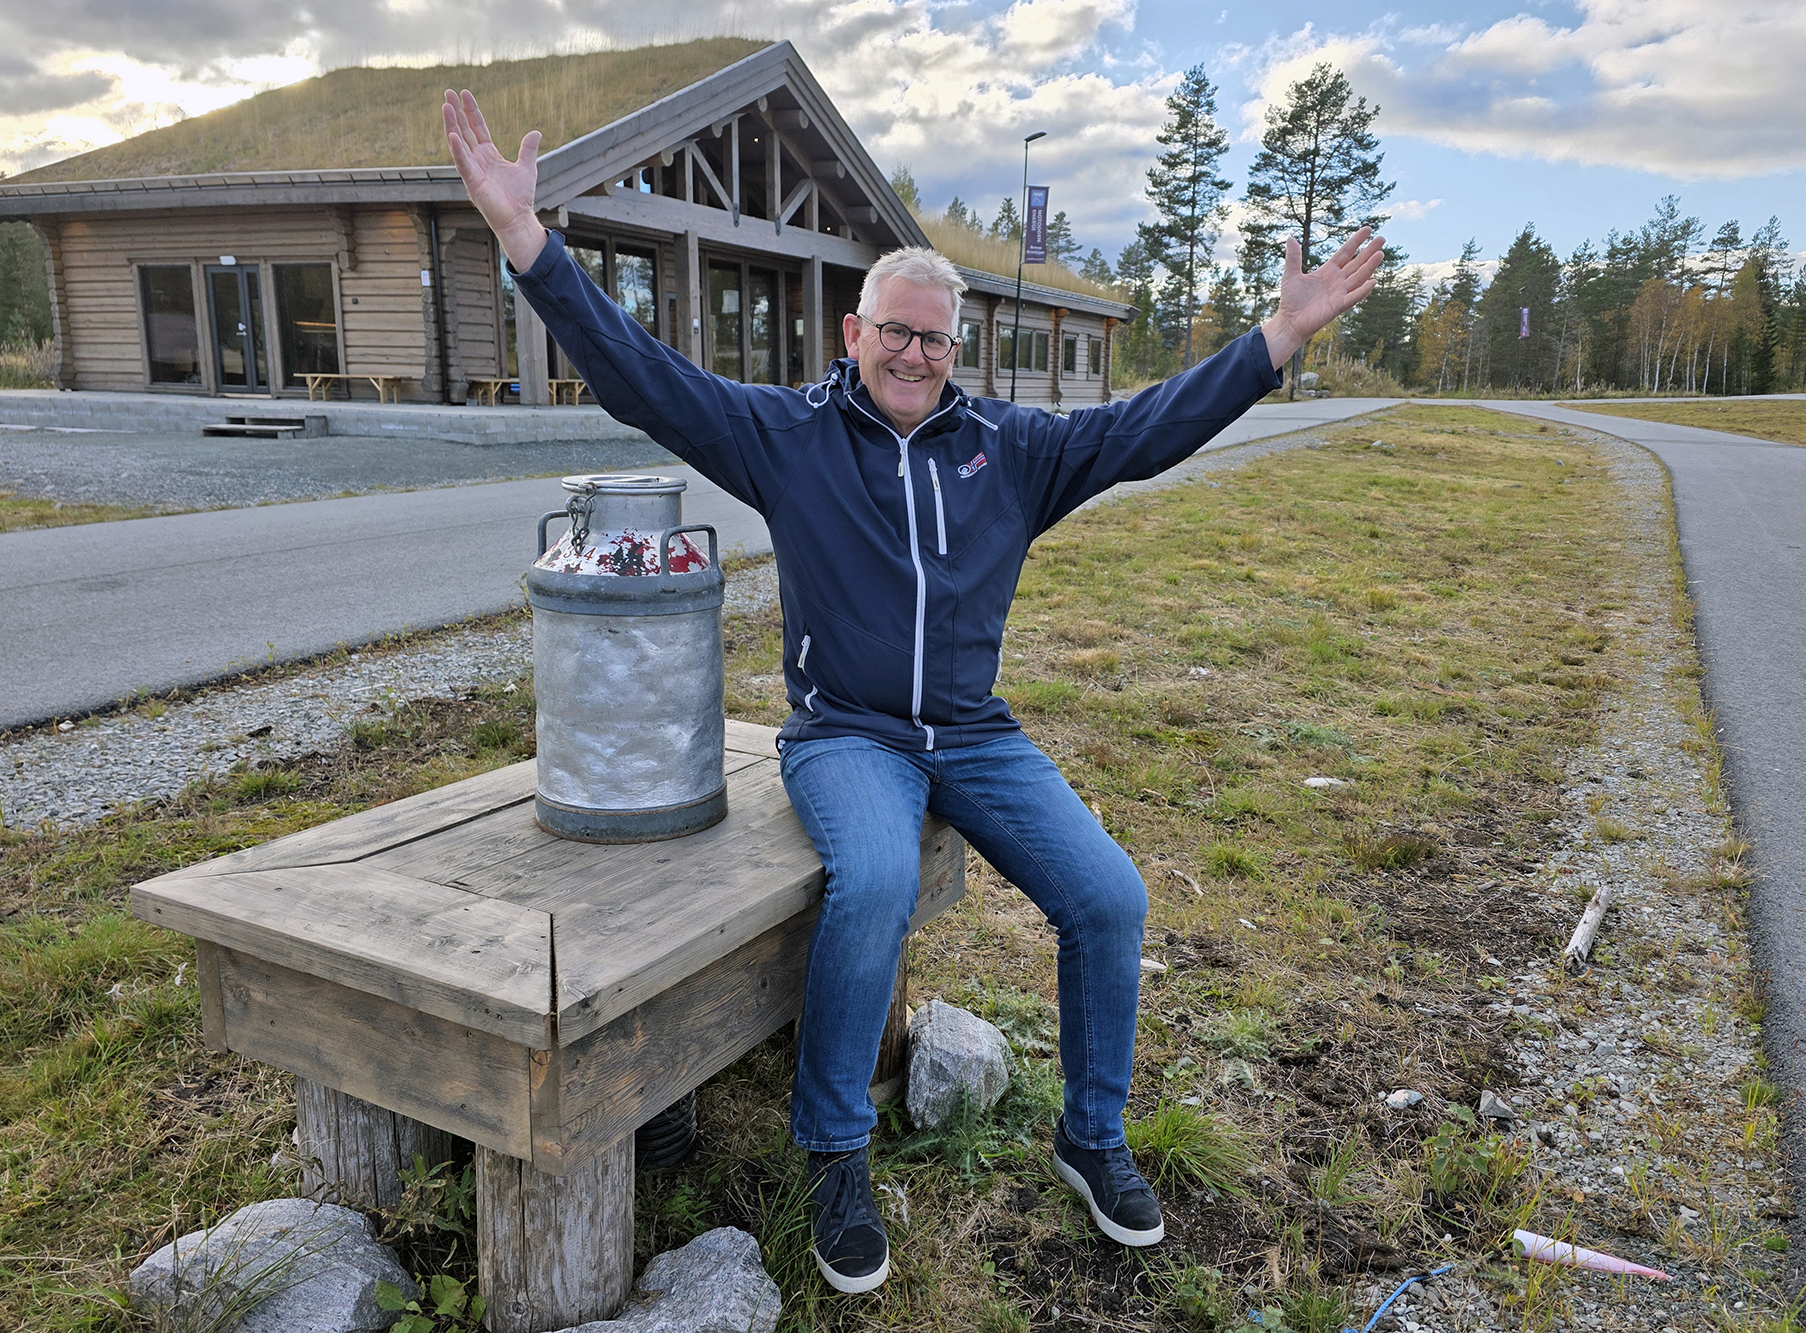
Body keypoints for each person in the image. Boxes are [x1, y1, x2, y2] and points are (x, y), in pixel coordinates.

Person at [442, 87, 1383, 1295]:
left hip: (975, 734)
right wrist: (530, 245)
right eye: (895, 330)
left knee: (1109, 897)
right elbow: (645, 381)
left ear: (957, 349)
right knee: (875, 878)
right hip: (847, 734)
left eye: (935, 338)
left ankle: (1090, 1132)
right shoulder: (786, 438)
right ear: (853, 332)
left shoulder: (1014, 451)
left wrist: (1271, 341)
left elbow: (1150, 426)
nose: (914, 353)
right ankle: (835, 1149)